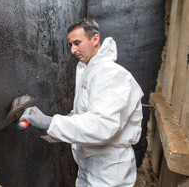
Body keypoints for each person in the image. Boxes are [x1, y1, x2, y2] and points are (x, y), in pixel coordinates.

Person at [19, 18, 144, 187]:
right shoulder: (88, 71)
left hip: (109, 171)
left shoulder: (112, 75)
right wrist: (56, 126)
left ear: (95, 39)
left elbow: (102, 125)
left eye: (77, 43)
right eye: (71, 44)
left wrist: (50, 122)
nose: (73, 50)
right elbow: (85, 114)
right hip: (88, 164)